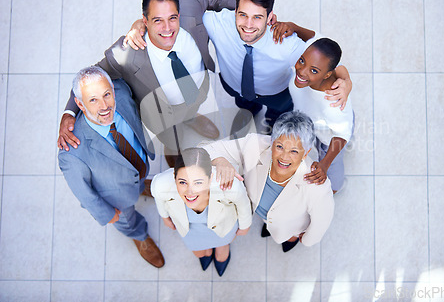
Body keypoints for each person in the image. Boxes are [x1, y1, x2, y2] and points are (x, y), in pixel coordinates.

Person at [125, 0, 352, 133]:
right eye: (242, 15)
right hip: (234, 85)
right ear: (235, 11)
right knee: (243, 104)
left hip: (275, 93)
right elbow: (168, 14)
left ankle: (271, 123)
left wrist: (346, 79)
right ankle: (248, 114)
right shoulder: (219, 23)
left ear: (270, 17)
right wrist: (138, 24)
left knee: (279, 114)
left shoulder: (286, 43)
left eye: (257, 17)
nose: (248, 25)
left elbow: (324, 55)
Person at [57, 0, 236, 165]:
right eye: (157, 20)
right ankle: (172, 146)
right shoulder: (127, 53)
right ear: (145, 20)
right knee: (170, 136)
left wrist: (254, 13)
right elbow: (91, 76)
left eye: (172, 18)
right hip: (162, 113)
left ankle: (191, 119)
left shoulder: (190, 6)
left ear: (179, 14)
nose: (167, 29)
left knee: (193, 105)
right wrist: (69, 112)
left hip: (197, 89)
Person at [58, 66, 165, 268]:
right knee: (127, 219)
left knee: (139, 179)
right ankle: (139, 235)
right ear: (79, 104)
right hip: (117, 198)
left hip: (138, 166)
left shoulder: (122, 93)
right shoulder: (71, 154)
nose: (104, 106)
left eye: (107, 95)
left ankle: (142, 185)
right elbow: (84, 194)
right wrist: (108, 214)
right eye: (93, 100)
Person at [202, 111, 334, 252]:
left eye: (294, 151)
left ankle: (290, 238)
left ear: (306, 153)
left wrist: (306, 240)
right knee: (270, 222)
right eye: (279, 146)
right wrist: (220, 160)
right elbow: (205, 149)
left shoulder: (317, 185)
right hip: (260, 211)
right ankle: (268, 225)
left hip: (291, 228)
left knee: (288, 235)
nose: (284, 157)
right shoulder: (254, 144)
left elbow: (321, 224)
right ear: (271, 142)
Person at [150, 147, 252, 276]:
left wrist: (245, 226)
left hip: (223, 224)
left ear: (210, 179)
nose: (190, 192)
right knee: (200, 252)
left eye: (198, 182)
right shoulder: (160, 184)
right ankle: (206, 251)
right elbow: (160, 199)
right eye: (182, 182)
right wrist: (165, 217)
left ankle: (222, 247)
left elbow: (243, 205)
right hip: (191, 230)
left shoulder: (229, 185)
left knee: (222, 245)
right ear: (174, 178)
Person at [289, 38, 354, 193]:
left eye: (313, 71)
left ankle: (337, 187)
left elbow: (341, 135)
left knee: (334, 165)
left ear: (327, 75)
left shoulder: (333, 105)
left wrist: (324, 164)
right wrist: (292, 27)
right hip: (315, 125)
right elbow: (341, 68)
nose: (301, 71)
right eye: (302, 61)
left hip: (329, 137)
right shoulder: (308, 69)